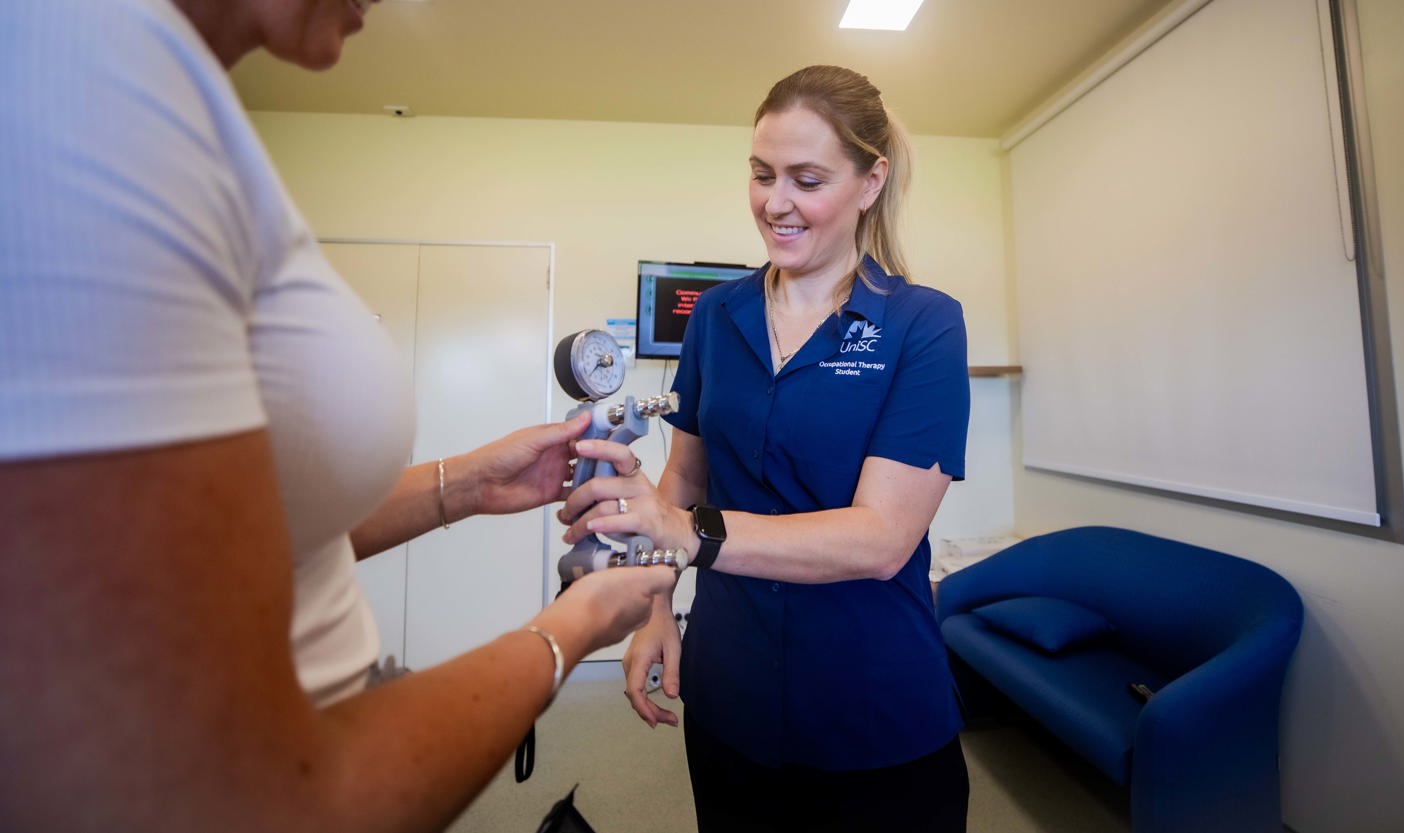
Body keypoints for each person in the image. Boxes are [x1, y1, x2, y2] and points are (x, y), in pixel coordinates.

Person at [0, 0, 675, 830]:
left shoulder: (179, 99)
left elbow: (232, 544)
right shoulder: (72, 75)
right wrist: (568, 629)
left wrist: (461, 484)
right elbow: (237, 790)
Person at [561, 65, 971, 831]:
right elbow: (682, 477)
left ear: (870, 181)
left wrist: (683, 532)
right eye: (761, 174)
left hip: (875, 709)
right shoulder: (717, 316)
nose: (775, 203)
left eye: (807, 179)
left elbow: (881, 539)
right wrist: (657, 609)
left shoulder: (923, 324)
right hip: (732, 691)